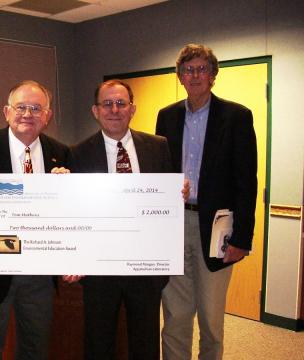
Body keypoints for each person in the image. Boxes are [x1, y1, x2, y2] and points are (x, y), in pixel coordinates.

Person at [156, 44, 258, 360]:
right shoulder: (167, 116)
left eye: (202, 69)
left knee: (212, 319)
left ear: (213, 75)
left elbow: (246, 182)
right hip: (175, 225)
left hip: (216, 228)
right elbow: (160, 172)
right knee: (175, 315)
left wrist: (242, 238)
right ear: (180, 77)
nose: (195, 75)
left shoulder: (237, 116)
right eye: (189, 70)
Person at [0, 80, 69, 360]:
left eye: (36, 108)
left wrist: (66, 190)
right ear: (6, 112)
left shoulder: (62, 154)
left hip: (40, 275)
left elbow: (69, 215)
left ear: (47, 116)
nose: (27, 114)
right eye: (21, 107)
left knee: (35, 348)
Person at [68, 79, 177, 360]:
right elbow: (74, 210)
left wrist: (178, 193)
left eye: (121, 103)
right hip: (100, 268)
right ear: (95, 111)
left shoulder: (158, 147)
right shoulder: (77, 153)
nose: (114, 110)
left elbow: (167, 206)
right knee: (99, 341)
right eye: (107, 104)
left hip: (146, 266)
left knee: (145, 342)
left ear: (133, 109)